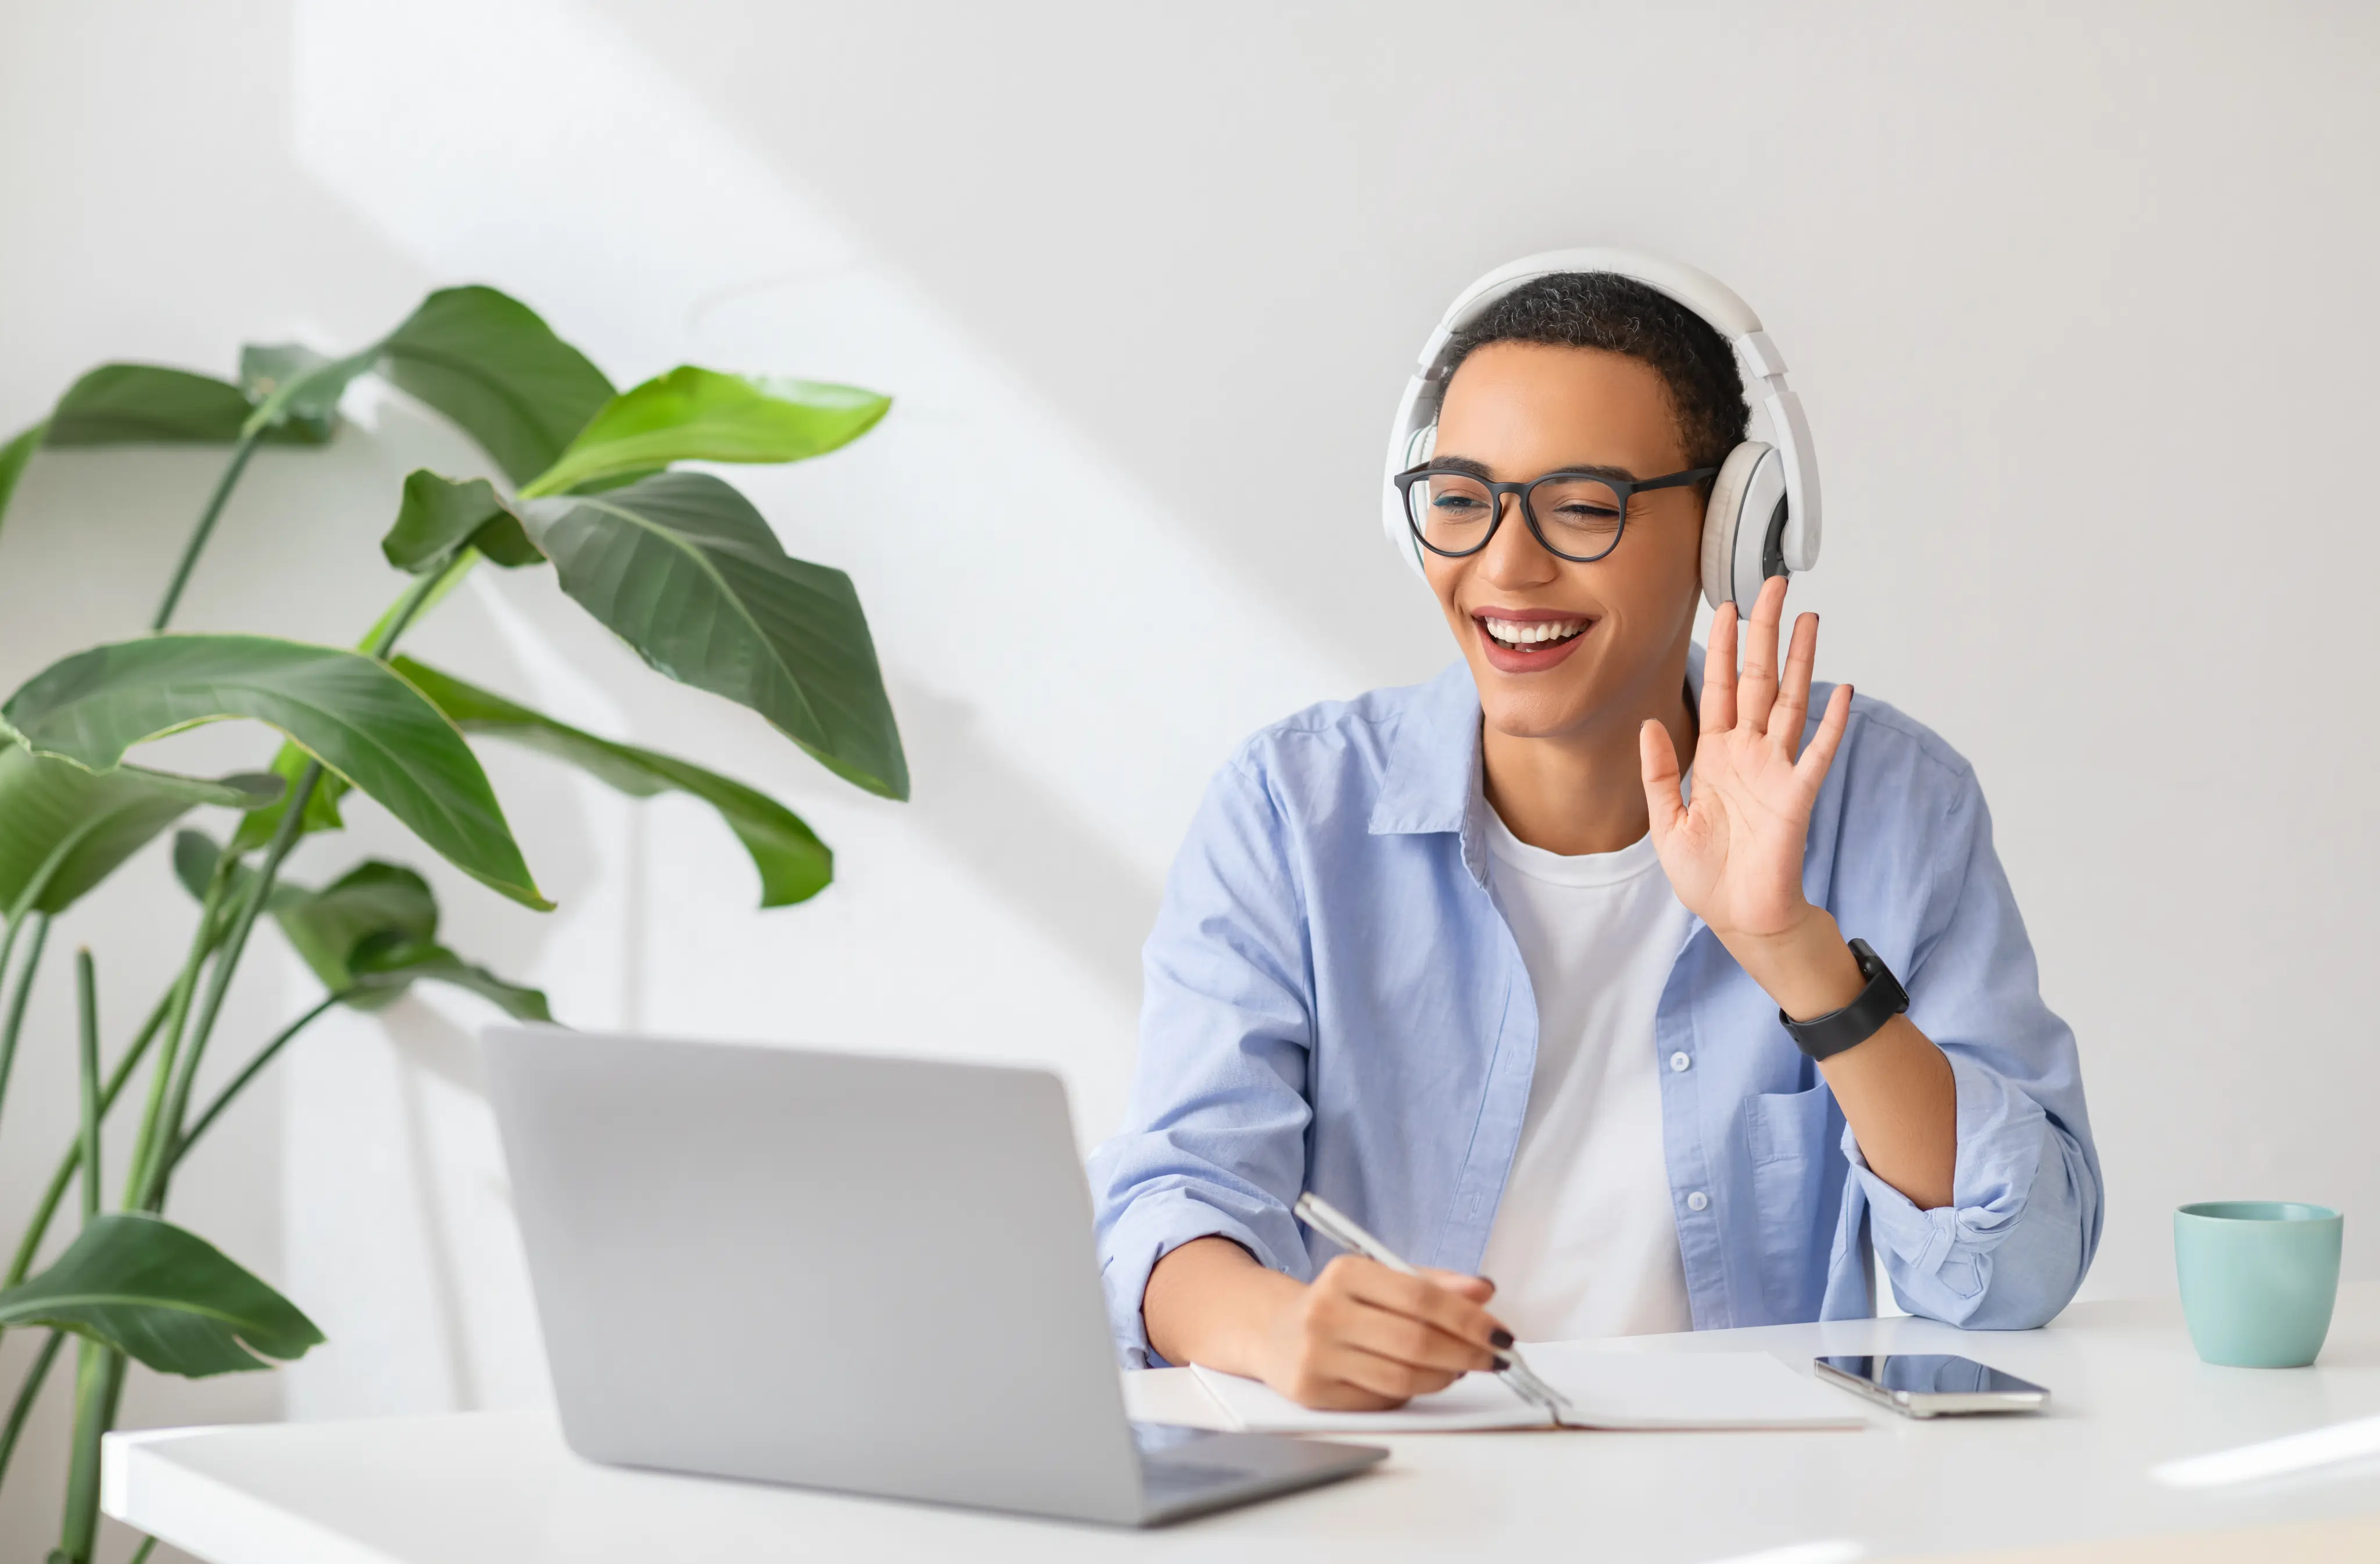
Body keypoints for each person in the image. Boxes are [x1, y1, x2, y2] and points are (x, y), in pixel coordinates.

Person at [1088, 264, 2101, 1409]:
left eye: (1580, 508)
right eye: (1460, 498)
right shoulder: (1291, 811)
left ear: (1728, 534)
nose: (1506, 567)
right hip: (1396, 1477)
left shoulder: (1890, 805)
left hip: (1752, 1486)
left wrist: (1798, 958)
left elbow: (2017, 1274)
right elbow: (1170, 1202)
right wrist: (1276, 1328)